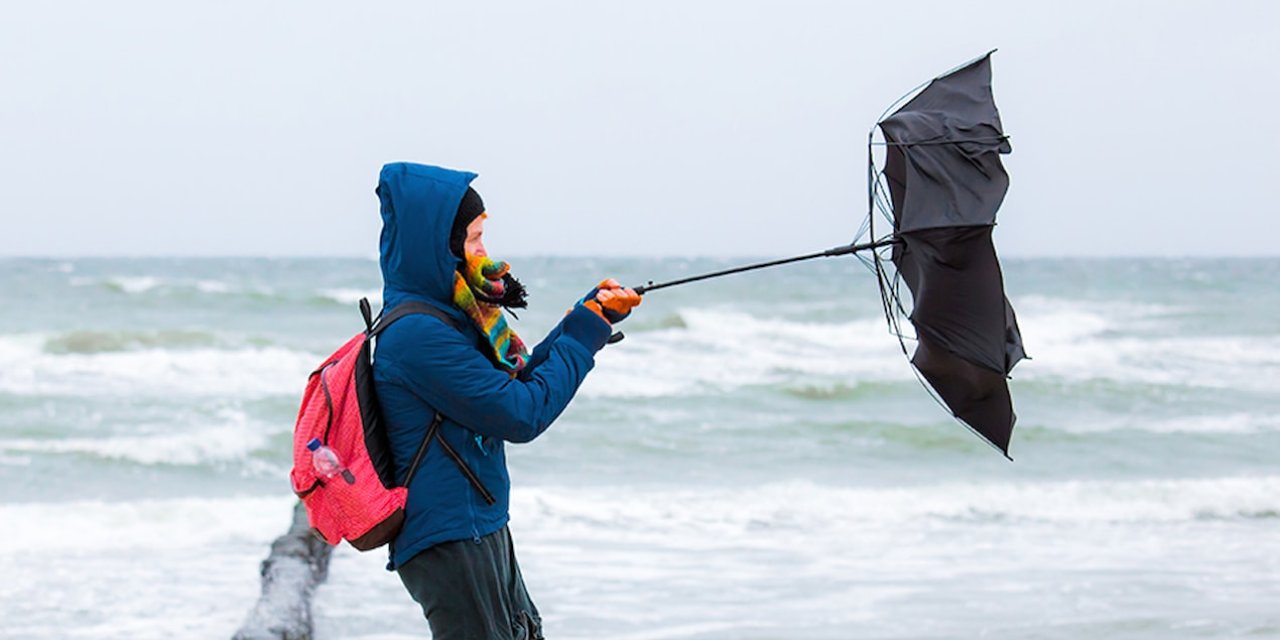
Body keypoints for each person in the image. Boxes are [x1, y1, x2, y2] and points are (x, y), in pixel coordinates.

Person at [371, 162, 640, 639]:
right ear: (442, 246)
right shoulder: (418, 333)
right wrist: (583, 335)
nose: (484, 251)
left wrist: (587, 319)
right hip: (451, 536)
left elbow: (515, 384)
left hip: (479, 522)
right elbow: (521, 414)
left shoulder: (448, 315)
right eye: (473, 239)